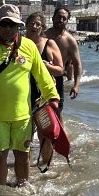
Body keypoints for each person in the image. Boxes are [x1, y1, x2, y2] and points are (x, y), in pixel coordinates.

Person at [0, 4, 59, 187]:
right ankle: (0, 192)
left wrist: (53, 98)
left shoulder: (29, 47)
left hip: (23, 116)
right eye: (4, 24)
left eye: (12, 25)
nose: (7, 29)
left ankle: (23, 190)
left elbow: (42, 75)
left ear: (19, 26)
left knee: (22, 156)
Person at [25, 12, 65, 169]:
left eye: (38, 24)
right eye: (31, 23)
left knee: (45, 134)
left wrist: (45, 66)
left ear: (42, 28)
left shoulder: (49, 44)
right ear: (26, 25)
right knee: (25, 133)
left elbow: (60, 70)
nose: (34, 26)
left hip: (42, 96)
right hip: (25, 94)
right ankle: (25, 166)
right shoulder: (20, 43)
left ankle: (46, 165)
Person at [44, 6, 83, 107]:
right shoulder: (43, 36)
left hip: (57, 78)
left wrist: (76, 85)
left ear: (67, 21)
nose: (61, 20)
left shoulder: (70, 41)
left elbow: (77, 64)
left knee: (57, 110)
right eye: (58, 17)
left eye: (64, 18)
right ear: (53, 18)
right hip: (39, 76)